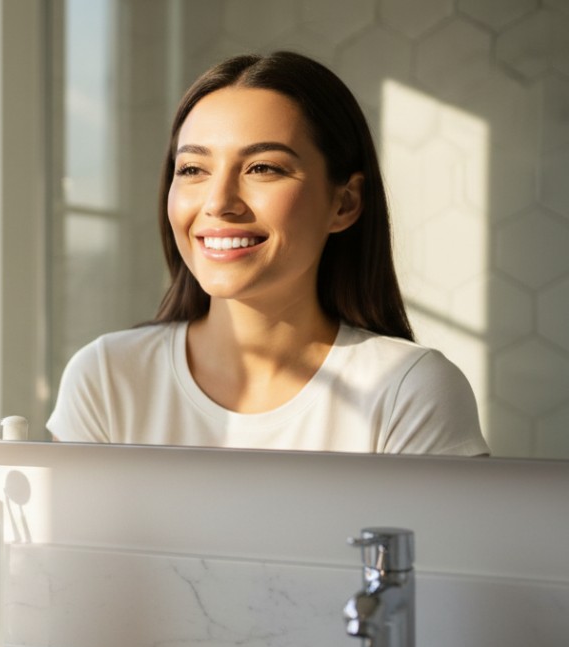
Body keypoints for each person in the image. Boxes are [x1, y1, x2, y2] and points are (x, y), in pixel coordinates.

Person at [47, 51, 488, 455]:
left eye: (262, 168)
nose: (219, 202)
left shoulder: (408, 390)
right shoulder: (107, 377)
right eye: (193, 169)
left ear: (345, 203)